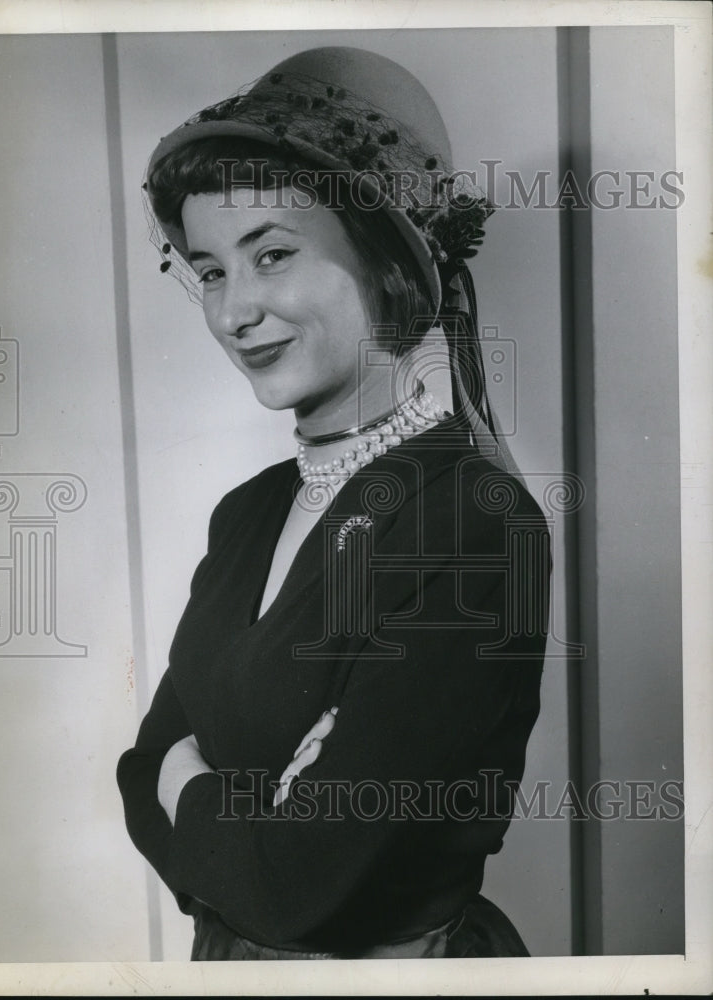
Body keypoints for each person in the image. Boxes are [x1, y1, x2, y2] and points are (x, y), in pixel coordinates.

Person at [117, 45, 551, 961]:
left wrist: (186, 777)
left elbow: (295, 887)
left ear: (384, 263)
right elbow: (135, 768)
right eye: (210, 271)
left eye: (271, 254)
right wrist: (232, 804)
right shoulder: (245, 513)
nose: (234, 311)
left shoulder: (476, 522)